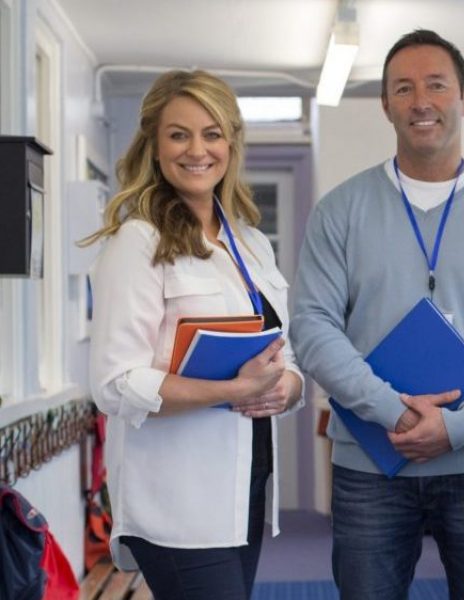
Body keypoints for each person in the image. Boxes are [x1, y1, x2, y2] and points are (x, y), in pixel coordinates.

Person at [291, 29, 464, 600]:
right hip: (370, 464)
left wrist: (459, 427)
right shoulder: (341, 210)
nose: (420, 101)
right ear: (385, 105)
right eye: (403, 89)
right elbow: (312, 328)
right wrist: (393, 413)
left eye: (436, 85)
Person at [84, 70, 304, 600]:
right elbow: (114, 383)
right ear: (155, 148)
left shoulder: (250, 243)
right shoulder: (137, 243)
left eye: (211, 133)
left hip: (242, 488)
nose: (197, 150)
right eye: (178, 134)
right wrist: (233, 391)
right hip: (177, 502)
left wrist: (287, 387)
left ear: (230, 142)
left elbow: (283, 353)